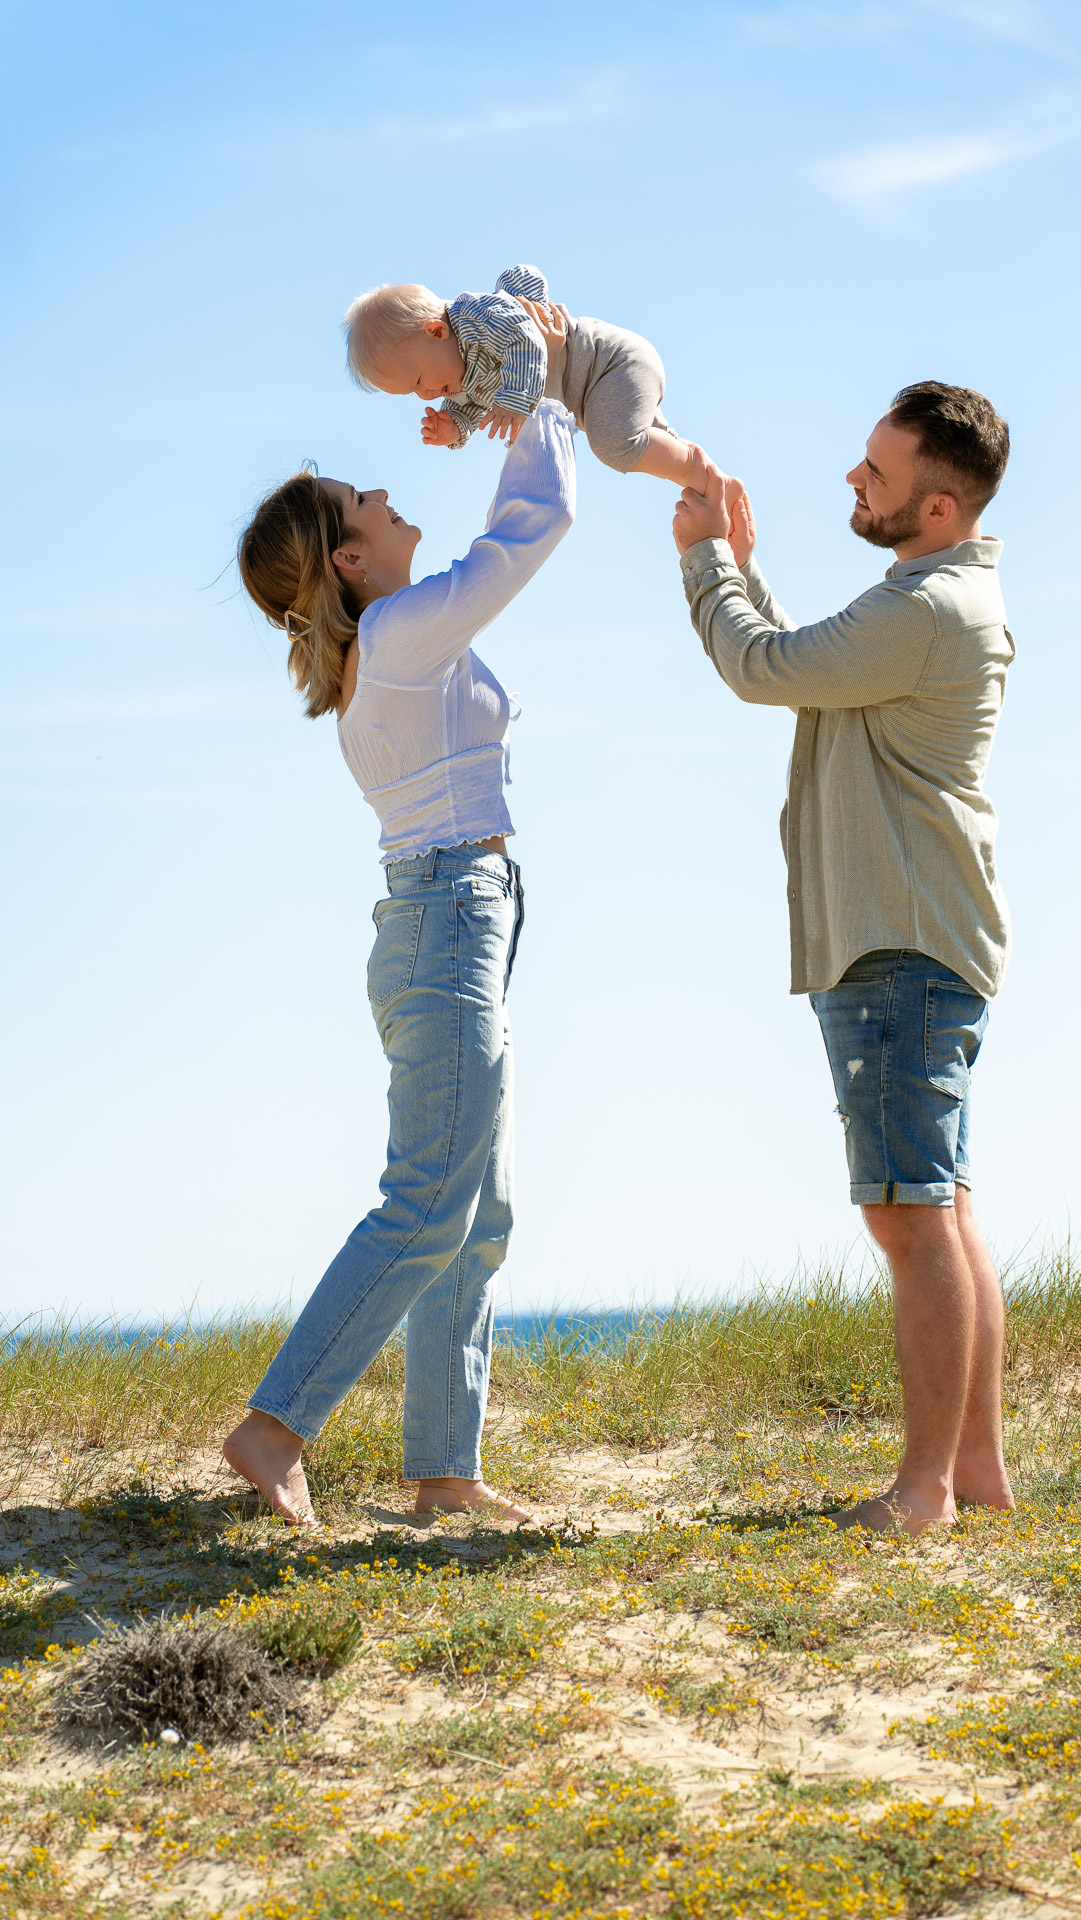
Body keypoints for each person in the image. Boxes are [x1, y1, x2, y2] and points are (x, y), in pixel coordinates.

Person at [222, 312, 576, 1529]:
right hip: (446, 919)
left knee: (479, 1211)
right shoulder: (402, 634)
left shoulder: (388, 642)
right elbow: (529, 532)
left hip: (456, 916)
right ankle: (274, 1428)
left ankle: (442, 1473)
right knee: (429, 1198)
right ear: (352, 560)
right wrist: (540, 398)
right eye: (356, 497)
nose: (382, 488)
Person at [672, 381, 1016, 1536]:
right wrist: (740, 567)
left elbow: (760, 669)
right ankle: (970, 1473)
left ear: (934, 507)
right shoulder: (925, 597)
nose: (852, 481)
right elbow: (801, 666)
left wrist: (706, 558)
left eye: (873, 472)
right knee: (941, 1208)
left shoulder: (922, 611)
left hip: (896, 943)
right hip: (913, 940)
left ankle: (923, 1493)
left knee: (908, 1217)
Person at [344, 264, 712, 491]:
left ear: (437, 332)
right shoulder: (459, 373)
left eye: (419, 380)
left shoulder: (476, 318)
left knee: (612, 445)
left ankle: (693, 469)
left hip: (608, 362)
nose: (425, 395)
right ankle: (697, 475)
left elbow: (524, 334)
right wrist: (454, 429)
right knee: (641, 441)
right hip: (593, 395)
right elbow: (472, 408)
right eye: (413, 394)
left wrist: (512, 401)